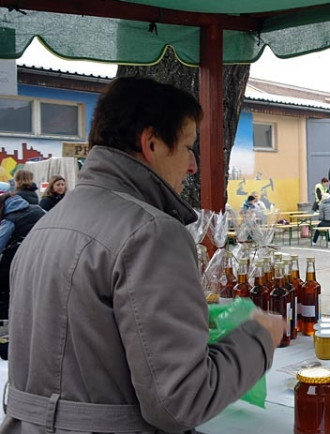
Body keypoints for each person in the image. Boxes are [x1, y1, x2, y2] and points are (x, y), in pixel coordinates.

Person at [1, 77, 284, 433]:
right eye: (187, 147)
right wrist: (259, 338)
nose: (193, 165)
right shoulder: (151, 233)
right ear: (151, 144)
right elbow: (180, 402)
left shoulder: (47, 224)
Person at [0, 193, 45, 360]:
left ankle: (5, 345)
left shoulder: (10, 220)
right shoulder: (38, 209)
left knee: (5, 301)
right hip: (42, 261)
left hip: (14, 263)